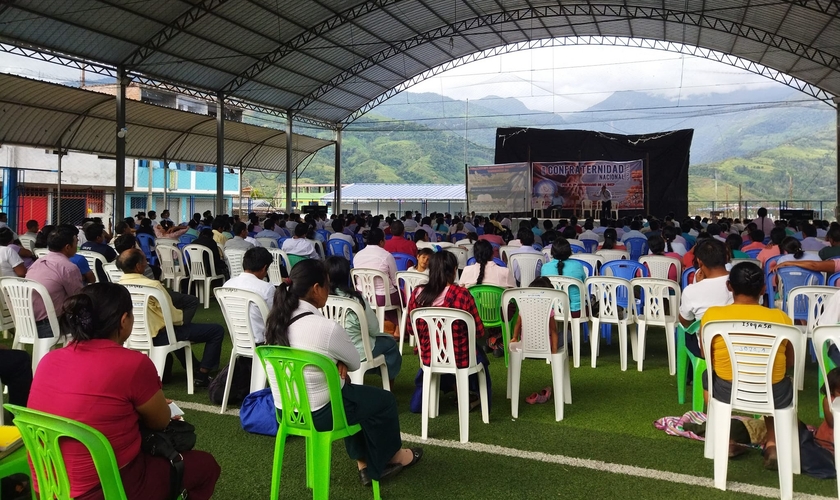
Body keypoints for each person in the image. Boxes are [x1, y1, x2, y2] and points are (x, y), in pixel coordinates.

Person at [26, 283, 220, 499]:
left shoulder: (49, 359)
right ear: (124, 320)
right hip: (107, 488)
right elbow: (161, 422)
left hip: (48, 484)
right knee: (206, 466)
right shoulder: (133, 364)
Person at [264, 259, 421, 485]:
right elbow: (356, 362)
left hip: (287, 411)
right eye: (327, 285)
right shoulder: (325, 328)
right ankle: (393, 457)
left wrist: (335, 359)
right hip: (323, 413)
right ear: (316, 288)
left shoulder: (275, 322)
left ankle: (364, 464)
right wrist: (339, 360)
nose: (329, 290)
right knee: (383, 400)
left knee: (353, 397)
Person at [700, 262, 794, 470]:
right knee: (776, 377)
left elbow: (706, 355)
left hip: (727, 390)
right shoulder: (782, 319)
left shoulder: (712, 316)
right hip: (774, 392)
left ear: (729, 286)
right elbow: (789, 362)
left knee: (708, 375)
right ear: (762, 289)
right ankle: (773, 444)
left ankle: (724, 440)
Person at [117, 249, 224, 387]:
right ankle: (202, 374)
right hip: (162, 335)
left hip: (133, 336)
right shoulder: (153, 285)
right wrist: (182, 319)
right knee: (215, 330)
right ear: (138, 266)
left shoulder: (118, 285)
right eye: (144, 260)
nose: (147, 263)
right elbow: (171, 315)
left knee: (176, 332)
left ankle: (194, 367)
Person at [407, 251, 490, 397]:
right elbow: (479, 332)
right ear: (454, 270)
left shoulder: (418, 293)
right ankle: (472, 393)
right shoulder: (462, 294)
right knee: (479, 356)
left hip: (429, 355)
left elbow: (411, 329)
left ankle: (450, 388)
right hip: (460, 356)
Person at [326, 256, 402, 386]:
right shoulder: (356, 299)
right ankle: (389, 386)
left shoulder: (322, 299)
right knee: (390, 344)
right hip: (358, 351)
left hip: (331, 352)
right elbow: (374, 329)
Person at [26, 225, 84, 338]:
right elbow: (78, 298)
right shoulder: (68, 267)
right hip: (52, 325)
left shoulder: (37, 263)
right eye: (76, 243)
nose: (77, 246)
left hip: (28, 322)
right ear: (68, 247)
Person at [679, 239, 733, 359]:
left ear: (699, 261)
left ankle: (688, 374)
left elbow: (685, 321)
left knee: (686, 332)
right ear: (726, 257)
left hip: (707, 347)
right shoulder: (740, 281)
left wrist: (699, 286)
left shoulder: (691, 291)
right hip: (738, 341)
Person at [222, 247, 275, 344]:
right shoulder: (266, 288)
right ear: (264, 268)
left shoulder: (227, 285)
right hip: (262, 341)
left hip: (238, 339)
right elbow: (273, 317)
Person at [352, 228, 399, 320]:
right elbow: (395, 281)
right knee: (402, 297)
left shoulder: (358, 255)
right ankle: (396, 326)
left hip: (362, 295)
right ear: (381, 241)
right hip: (383, 298)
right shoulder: (386, 256)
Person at [509, 276, 561, 354]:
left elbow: (518, 324)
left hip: (527, 346)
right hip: (545, 347)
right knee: (568, 334)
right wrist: (554, 352)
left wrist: (515, 337)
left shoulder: (524, 307)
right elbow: (553, 331)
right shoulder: (549, 310)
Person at [540, 237, 588, 315]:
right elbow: (584, 285)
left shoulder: (545, 268)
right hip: (576, 311)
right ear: (569, 251)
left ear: (552, 252)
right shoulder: (578, 266)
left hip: (552, 310)